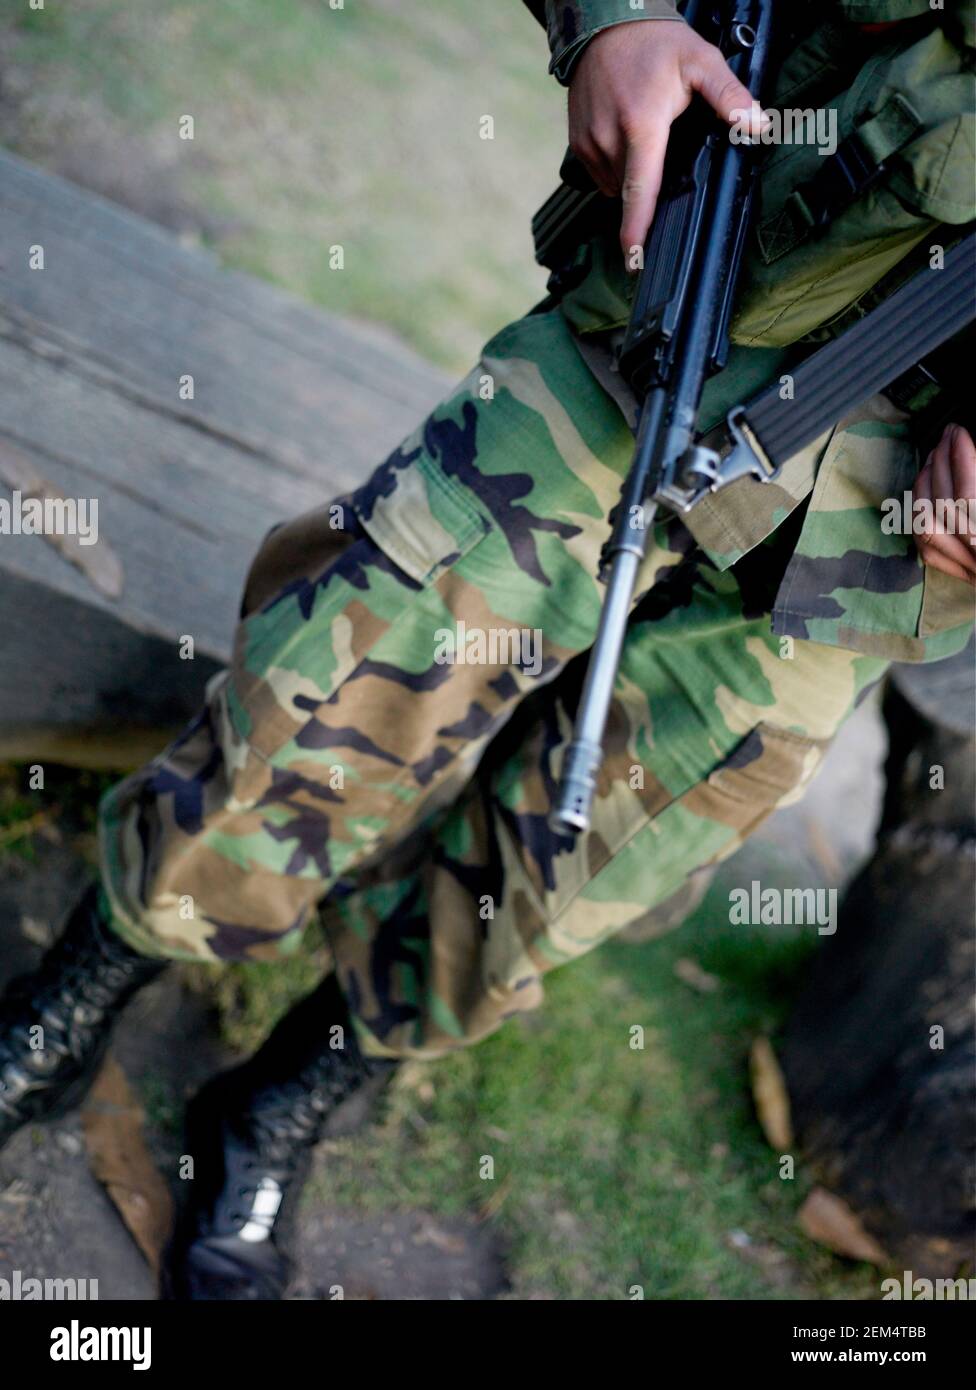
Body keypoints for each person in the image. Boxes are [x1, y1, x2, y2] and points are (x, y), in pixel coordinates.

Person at [1, 0, 973, 1300]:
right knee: (339, 689)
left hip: (881, 532)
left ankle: (279, 1103)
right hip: (685, 308)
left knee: (580, 865)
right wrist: (614, 18)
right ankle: (70, 1010)